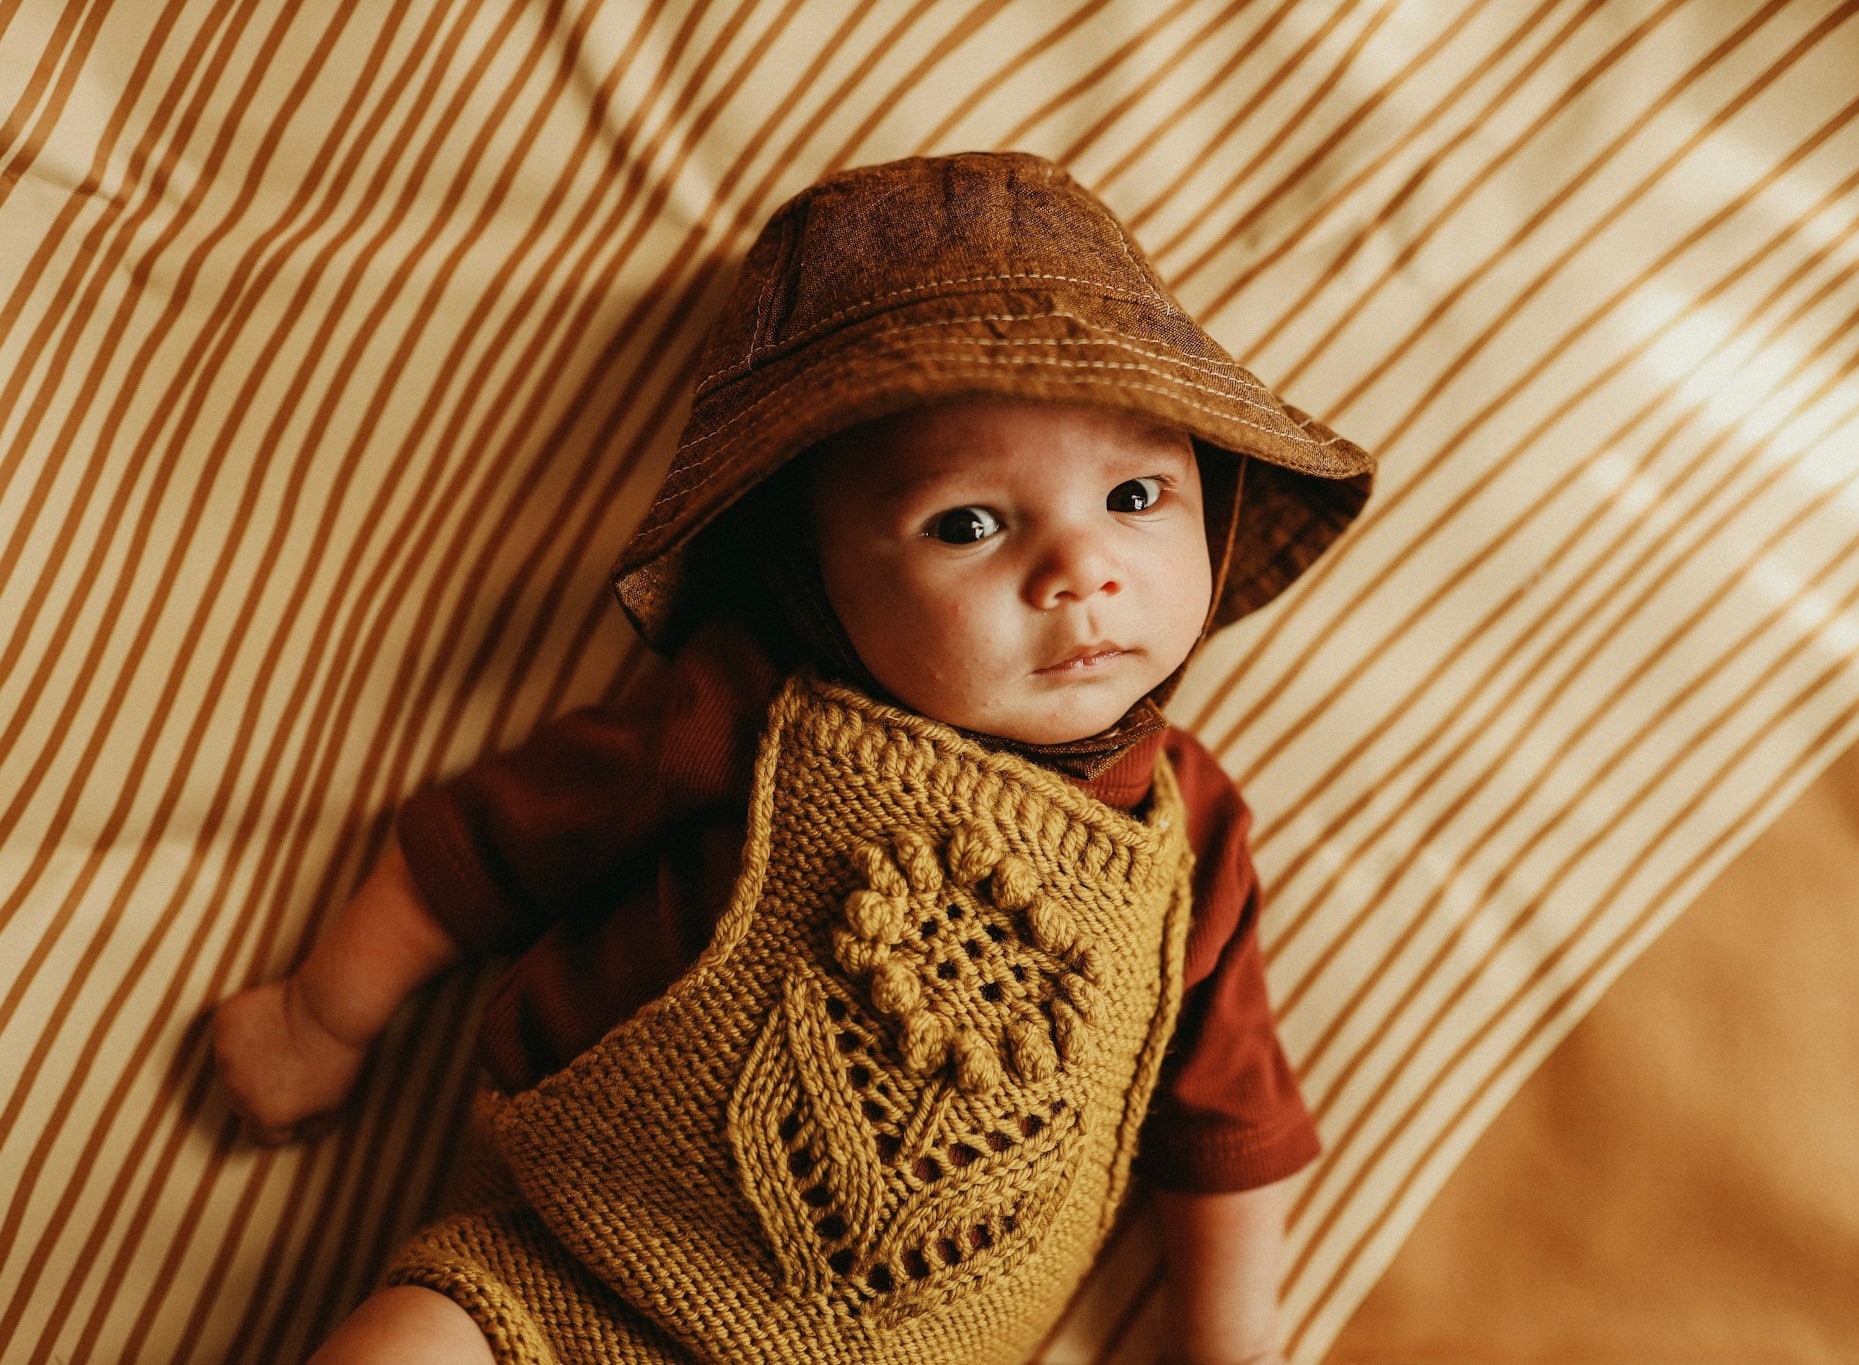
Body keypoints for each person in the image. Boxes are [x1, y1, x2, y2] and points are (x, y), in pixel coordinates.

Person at [211, 150, 1374, 1365]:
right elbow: (490, 846)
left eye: (1136, 495)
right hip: (570, 1276)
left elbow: (1226, 1121)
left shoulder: (1190, 834)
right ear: (807, 571)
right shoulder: (744, 712)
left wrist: (1225, 1342)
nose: (1080, 570)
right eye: (968, 524)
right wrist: (321, 1016)